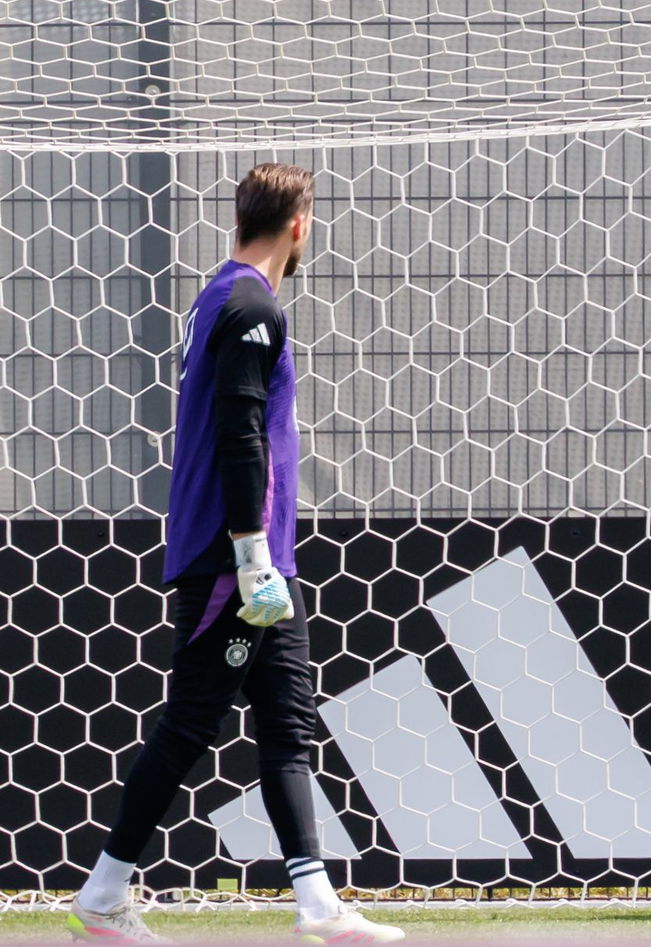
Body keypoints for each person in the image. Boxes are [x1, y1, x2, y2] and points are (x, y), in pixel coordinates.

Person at [68, 164, 403, 945]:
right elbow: (239, 431)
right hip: (234, 559)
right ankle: (103, 890)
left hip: (261, 559)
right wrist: (251, 554)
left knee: (289, 721)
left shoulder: (222, 294)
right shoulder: (249, 304)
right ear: (299, 225)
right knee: (190, 722)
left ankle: (316, 900)